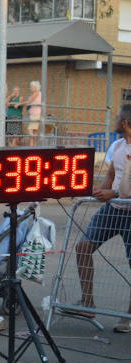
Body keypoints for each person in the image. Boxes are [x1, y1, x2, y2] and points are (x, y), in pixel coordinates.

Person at [73, 106, 131, 333]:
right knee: (83, 247)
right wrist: (100, 193)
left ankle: (127, 317)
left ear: (125, 123)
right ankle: (88, 303)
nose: (114, 121)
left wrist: (113, 194)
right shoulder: (117, 146)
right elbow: (111, 175)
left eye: (117, 118)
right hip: (113, 210)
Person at [23, 80, 42, 146]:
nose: (30, 88)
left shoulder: (36, 93)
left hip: (35, 114)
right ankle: (34, 146)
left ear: (35, 87)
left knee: (30, 130)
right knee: (34, 131)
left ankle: (31, 146)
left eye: (31, 87)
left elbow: (29, 101)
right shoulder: (37, 93)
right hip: (34, 114)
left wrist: (19, 103)